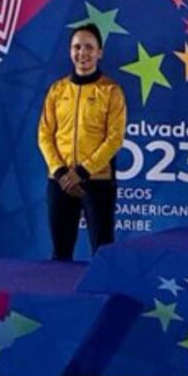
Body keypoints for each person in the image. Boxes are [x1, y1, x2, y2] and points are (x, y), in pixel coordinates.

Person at [38, 23, 127, 261]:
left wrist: (83, 171)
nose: (82, 53)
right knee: (60, 254)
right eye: (77, 47)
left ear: (100, 52)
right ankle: (58, 298)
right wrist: (60, 172)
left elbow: (114, 138)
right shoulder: (57, 90)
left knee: (103, 253)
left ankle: (106, 298)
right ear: (70, 52)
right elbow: (44, 134)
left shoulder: (111, 91)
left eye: (89, 47)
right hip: (60, 182)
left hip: (97, 182)